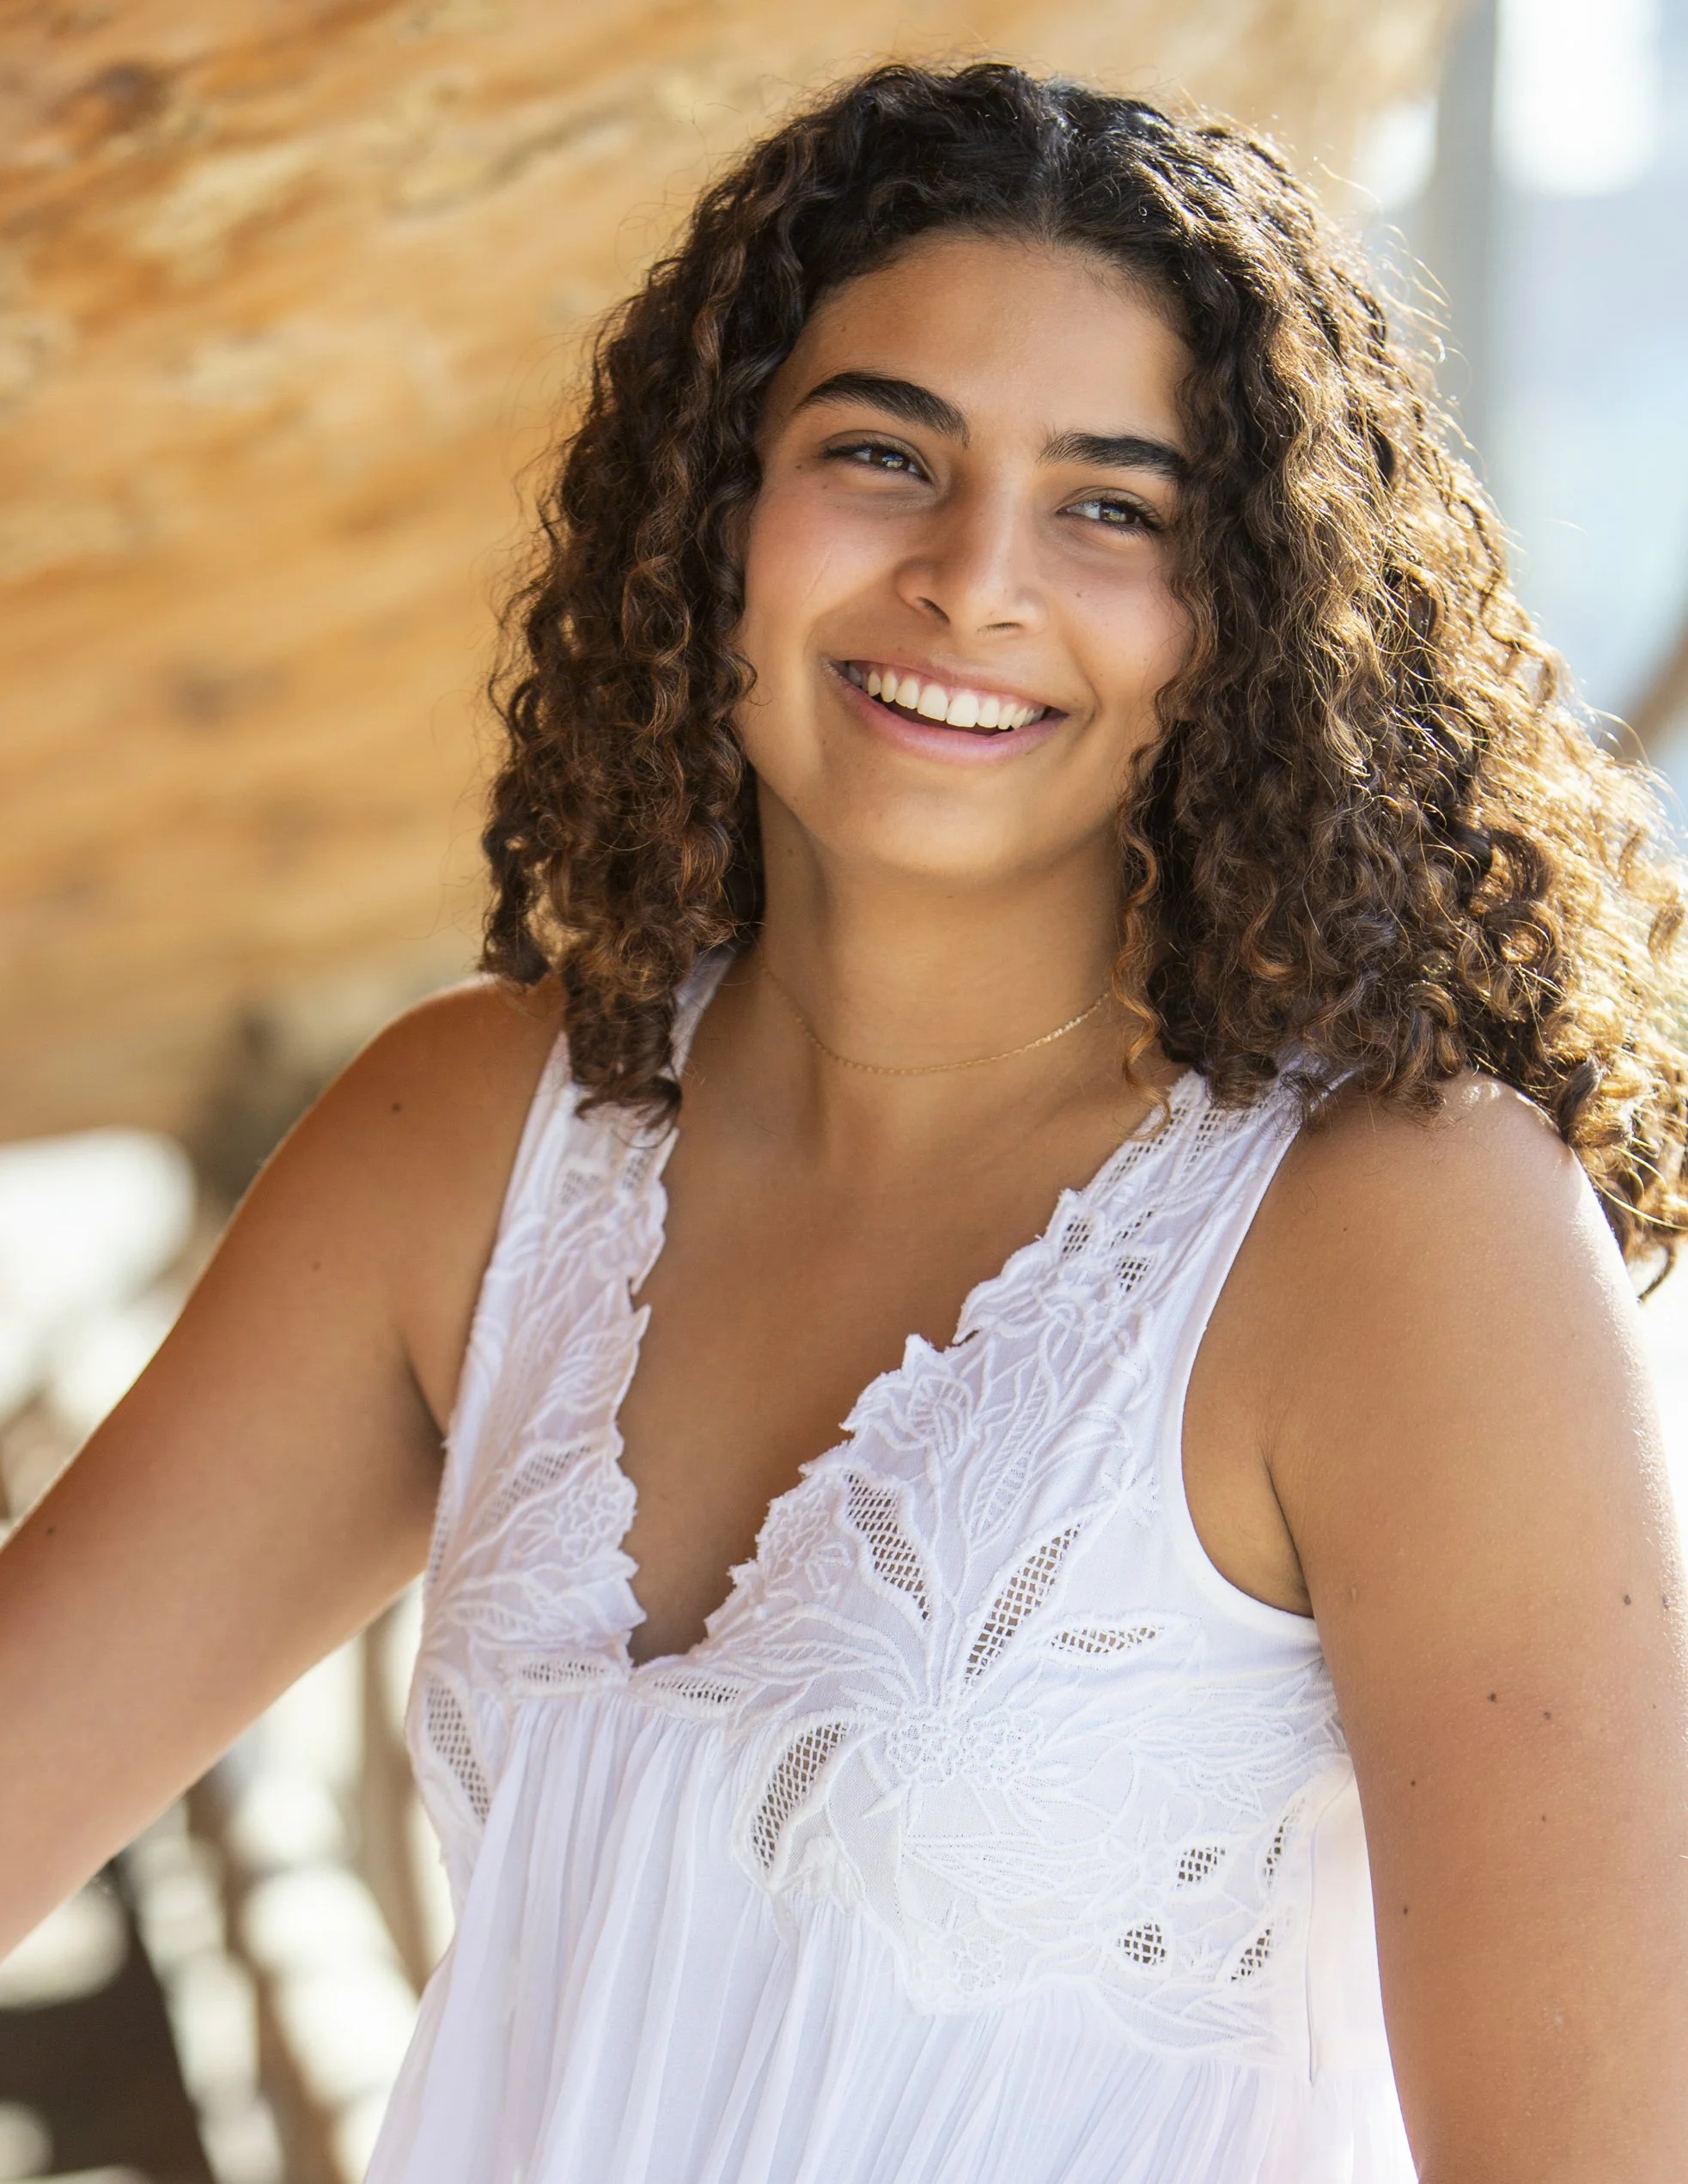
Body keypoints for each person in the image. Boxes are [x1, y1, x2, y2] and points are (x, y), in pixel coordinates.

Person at [3, 58, 1688, 2184]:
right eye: (882, 455)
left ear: (1235, 614)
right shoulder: (469, 1141)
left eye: (1112, 504)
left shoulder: (1394, 1234)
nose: (975, 580)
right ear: (717, 506)